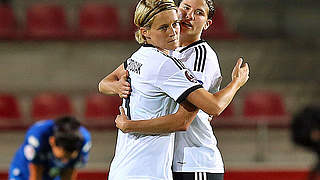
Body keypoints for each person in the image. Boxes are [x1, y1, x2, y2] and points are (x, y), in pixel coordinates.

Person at [98, 0, 249, 179]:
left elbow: (190, 117)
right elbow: (105, 83)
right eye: (185, 7)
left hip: (193, 160)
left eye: (199, 13)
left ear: (208, 24)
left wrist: (236, 83)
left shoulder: (199, 56)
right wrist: (117, 86)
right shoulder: (161, 54)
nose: (188, 15)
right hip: (163, 161)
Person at [9, 116, 92, 180]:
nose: (65, 161)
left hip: (52, 172)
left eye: (69, 158)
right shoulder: (38, 135)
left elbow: (69, 171)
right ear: (52, 141)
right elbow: (36, 173)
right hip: (24, 171)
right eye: (62, 157)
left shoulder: (84, 140)